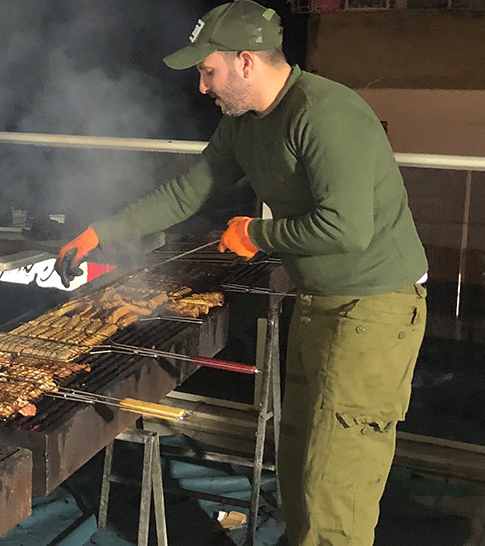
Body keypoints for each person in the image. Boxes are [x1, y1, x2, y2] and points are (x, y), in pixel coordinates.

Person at [54, 2, 430, 544]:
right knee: (299, 467)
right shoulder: (244, 124)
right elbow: (188, 191)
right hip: (320, 303)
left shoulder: (325, 114)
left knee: (334, 492)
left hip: (373, 308)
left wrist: (257, 235)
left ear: (246, 62)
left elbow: (347, 229)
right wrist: (99, 233)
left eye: (208, 71)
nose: (202, 87)